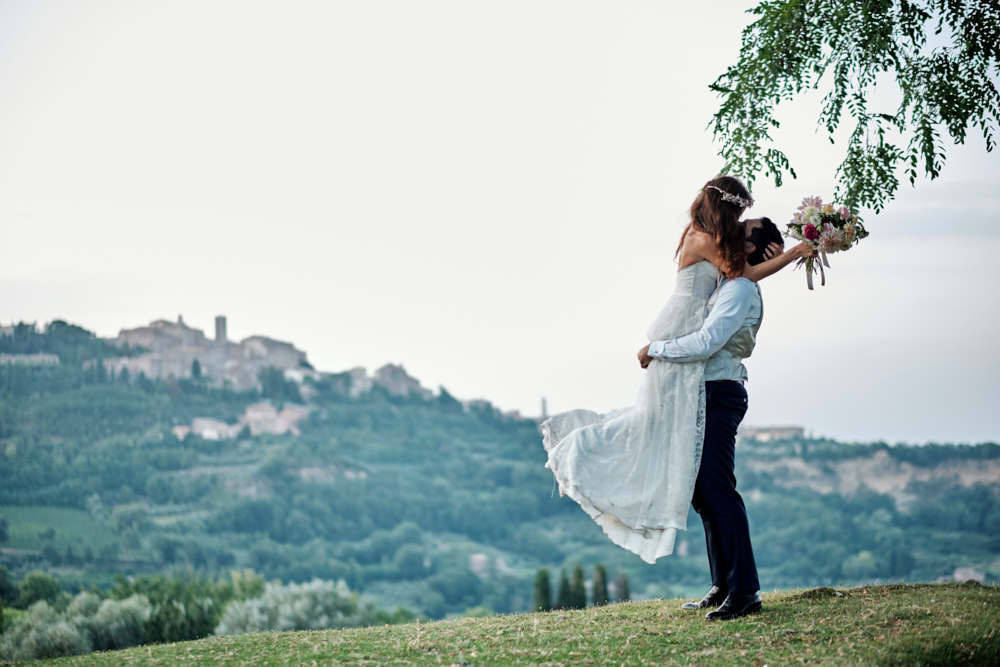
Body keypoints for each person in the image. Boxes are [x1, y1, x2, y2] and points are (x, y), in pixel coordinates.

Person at [542, 177, 807, 565]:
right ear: (725, 209)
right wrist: (793, 253)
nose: (739, 223)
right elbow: (743, 273)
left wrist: (775, 254)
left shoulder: (718, 248)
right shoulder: (704, 239)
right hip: (681, 329)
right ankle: (582, 447)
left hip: (692, 343)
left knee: (696, 473)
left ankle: (730, 584)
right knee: (655, 427)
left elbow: (743, 276)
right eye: (738, 214)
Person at [637, 217, 809, 620]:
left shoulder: (739, 291)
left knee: (717, 488)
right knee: (701, 491)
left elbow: (708, 342)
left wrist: (656, 348)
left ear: (749, 247)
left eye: (741, 231)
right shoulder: (733, 281)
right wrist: (781, 257)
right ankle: (723, 583)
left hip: (720, 393)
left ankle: (746, 590)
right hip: (705, 392)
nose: (728, 233)